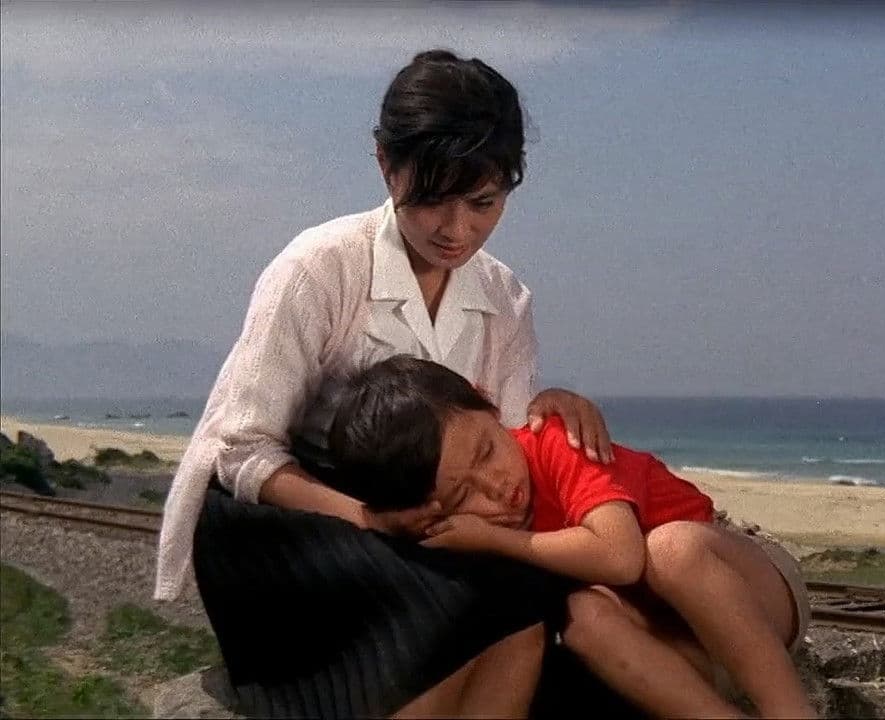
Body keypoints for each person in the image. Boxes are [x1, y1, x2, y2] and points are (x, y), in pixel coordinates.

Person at [153, 49, 617, 719]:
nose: (457, 229)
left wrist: (552, 414)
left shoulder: (505, 299)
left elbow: (507, 446)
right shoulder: (320, 268)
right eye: (430, 199)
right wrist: (369, 519)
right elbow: (243, 451)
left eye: (483, 203)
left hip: (417, 518)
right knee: (466, 612)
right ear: (385, 165)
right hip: (289, 519)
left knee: (526, 604)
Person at [328, 356, 817, 719]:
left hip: (748, 598)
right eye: (463, 494)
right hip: (683, 644)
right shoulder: (462, 532)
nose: (495, 486)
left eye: (486, 452)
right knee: (583, 619)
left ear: (490, 403)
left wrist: (494, 538)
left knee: (669, 550)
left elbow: (621, 557)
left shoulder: (555, 441)